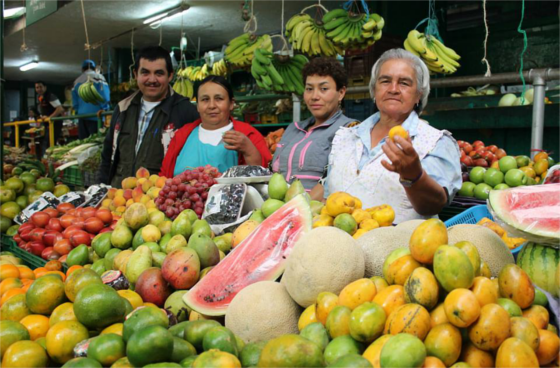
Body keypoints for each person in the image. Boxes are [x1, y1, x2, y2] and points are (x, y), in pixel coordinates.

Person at [322, 48, 462, 224]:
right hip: (340, 247)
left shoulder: (436, 142)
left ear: (419, 94)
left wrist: (414, 176)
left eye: (404, 83)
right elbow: (328, 199)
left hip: (398, 248)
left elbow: (433, 205)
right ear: (374, 90)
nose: (393, 89)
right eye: (385, 81)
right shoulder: (346, 136)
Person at [98, 46, 199, 187]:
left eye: (159, 73)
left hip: (159, 199)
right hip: (119, 196)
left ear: (170, 75)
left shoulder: (185, 111)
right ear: (135, 74)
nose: (152, 79)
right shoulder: (123, 108)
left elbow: (194, 162)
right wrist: (100, 187)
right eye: (145, 72)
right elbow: (108, 154)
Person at [271, 57, 357, 195]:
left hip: (318, 212)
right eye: (309, 89)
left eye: (323, 89)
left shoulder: (349, 128)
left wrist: (299, 208)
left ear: (341, 93)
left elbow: (337, 180)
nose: (314, 96)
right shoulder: (293, 129)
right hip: (277, 207)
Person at [160, 75, 271, 177]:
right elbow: (164, 176)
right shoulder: (182, 135)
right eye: (205, 99)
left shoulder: (248, 135)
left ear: (231, 104)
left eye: (219, 99)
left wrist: (249, 150)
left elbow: (264, 177)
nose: (212, 105)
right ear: (197, 106)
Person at [72, 59, 111, 139]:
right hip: (96, 116)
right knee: (96, 142)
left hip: (82, 117)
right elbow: (105, 96)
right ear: (94, 68)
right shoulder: (99, 78)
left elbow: (75, 103)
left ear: (82, 69)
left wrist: (78, 111)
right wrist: (105, 109)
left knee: (83, 143)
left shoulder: (76, 81)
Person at [35, 81, 64, 155]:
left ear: (45, 87)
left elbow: (60, 109)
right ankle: (45, 159)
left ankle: (49, 160)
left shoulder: (50, 96)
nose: (39, 89)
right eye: (37, 87)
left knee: (49, 142)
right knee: (43, 141)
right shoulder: (40, 97)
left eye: (40, 87)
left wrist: (49, 118)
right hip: (47, 124)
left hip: (54, 123)